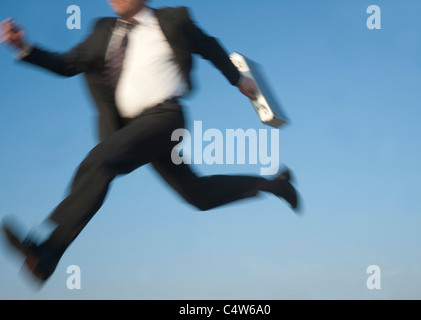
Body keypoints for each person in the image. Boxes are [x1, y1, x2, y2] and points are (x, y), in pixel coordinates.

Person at [0, 0, 300, 285]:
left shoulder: (173, 20)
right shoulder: (102, 31)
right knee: (197, 195)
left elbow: (209, 47)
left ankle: (49, 252)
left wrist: (238, 79)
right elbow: (65, 64)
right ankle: (274, 184)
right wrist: (24, 47)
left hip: (166, 118)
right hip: (134, 131)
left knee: (101, 161)